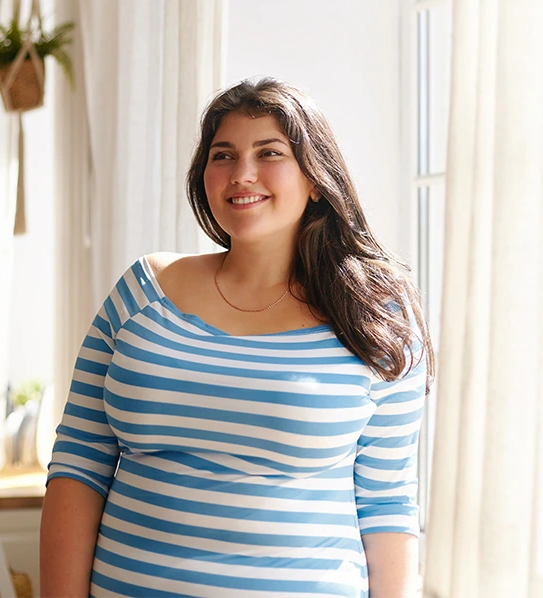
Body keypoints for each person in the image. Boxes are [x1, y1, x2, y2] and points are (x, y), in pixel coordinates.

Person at [40, 78, 435, 598]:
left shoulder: (376, 316)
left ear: (316, 178)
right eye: (222, 155)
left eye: (269, 152)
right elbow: (78, 463)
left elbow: (387, 500)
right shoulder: (141, 293)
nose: (241, 174)